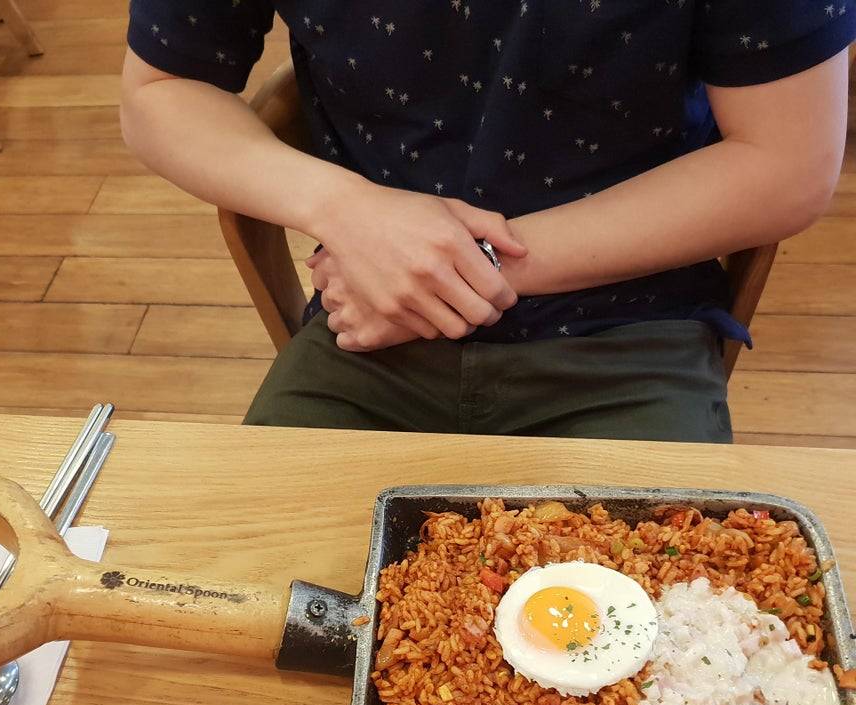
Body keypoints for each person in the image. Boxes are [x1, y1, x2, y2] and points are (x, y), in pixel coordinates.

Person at [121, 3, 853, 441]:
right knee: (262, 633)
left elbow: (786, 164)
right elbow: (160, 92)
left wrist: (454, 266)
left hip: (630, 324)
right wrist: (345, 210)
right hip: (370, 322)